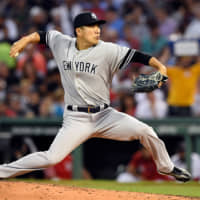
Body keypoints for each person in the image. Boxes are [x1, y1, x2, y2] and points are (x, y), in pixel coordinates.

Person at [1, 11, 191, 182]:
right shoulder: (61, 42)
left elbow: (138, 56)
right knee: (51, 157)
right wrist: (24, 40)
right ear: (79, 31)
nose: (97, 30)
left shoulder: (107, 49)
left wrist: (160, 66)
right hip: (76, 119)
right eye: (92, 27)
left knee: (146, 131)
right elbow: (43, 35)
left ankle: (167, 167)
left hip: (105, 116)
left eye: (98, 26)